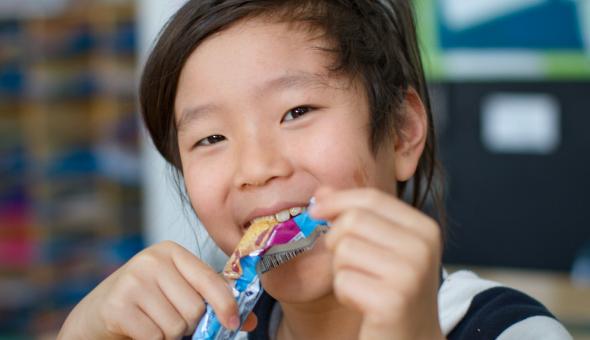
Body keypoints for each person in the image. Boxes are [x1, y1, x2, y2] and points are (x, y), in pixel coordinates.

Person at [58, 0, 572, 339]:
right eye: (210, 138)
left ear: (400, 131)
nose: (255, 169)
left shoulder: (514, 330)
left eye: (296, 112)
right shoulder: (203, 331)